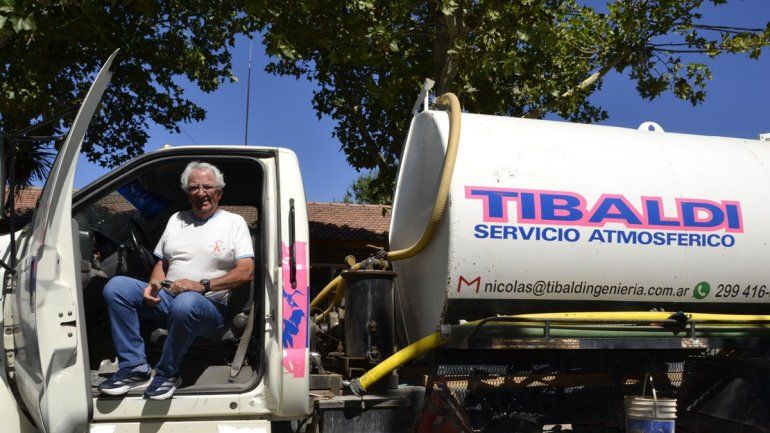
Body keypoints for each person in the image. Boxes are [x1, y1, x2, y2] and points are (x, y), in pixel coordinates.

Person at [98, 161, 255, 400]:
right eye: (194, 188)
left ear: (219, 192)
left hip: (208, 308)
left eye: (207, 187)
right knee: (116, 287)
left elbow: (246, 271)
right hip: (167, 298)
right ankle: (134, 366)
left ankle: (167, 373)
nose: (201, 193)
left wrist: (202, 286)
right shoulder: (176, 219)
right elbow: (163, 263)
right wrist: (154, 285)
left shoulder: (234, 223)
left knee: (187, 302)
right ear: (187, 193)